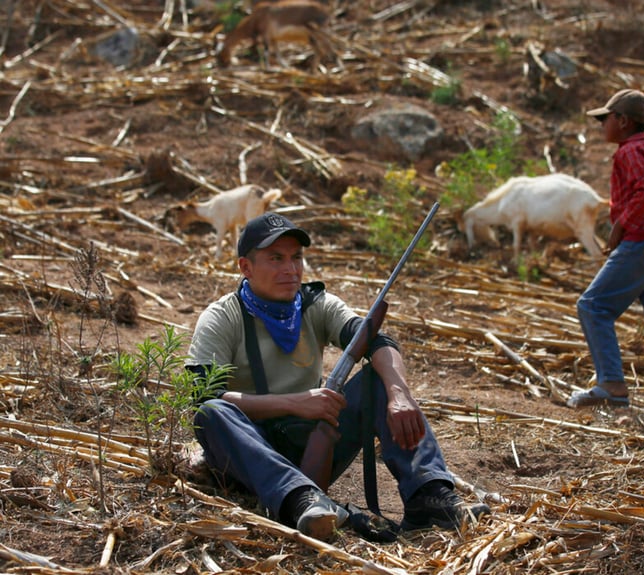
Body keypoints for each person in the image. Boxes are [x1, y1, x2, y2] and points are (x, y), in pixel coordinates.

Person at [186, 212, 490, 541]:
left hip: (310, 437)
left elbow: (377, 340)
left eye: (296, 257)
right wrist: (296, 403)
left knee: (381, 380)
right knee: (212, 413)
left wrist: (400, 395)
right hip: (251, 451)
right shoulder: (221, 317)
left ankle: (428, 496)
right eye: (276, 259)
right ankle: (299, 500)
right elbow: (205, 397)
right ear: (246, 267)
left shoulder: (316, 303)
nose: (290, 269)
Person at [567, 89, 644, 415]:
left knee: (593, 307)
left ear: (622, 121)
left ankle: (612, 385)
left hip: (643, 243)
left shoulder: (629, 152)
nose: (601, 126)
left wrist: (620, 226)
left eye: (604, 119)